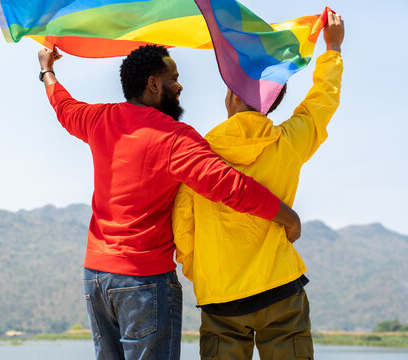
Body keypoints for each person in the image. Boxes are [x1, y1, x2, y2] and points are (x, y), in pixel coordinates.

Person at [37, 44, 301, 360]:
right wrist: (287, 216)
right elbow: (229, 186)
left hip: (96, 278)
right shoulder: (175, 138)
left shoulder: (98, 119)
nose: (180, 86)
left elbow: (63, 106)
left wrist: (47, 71)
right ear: (153, 84)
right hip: (144, 282)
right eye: (173, 78)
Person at [172, 11, 344, 360]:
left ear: (232, 97)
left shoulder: (201, 154)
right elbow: (321, 103)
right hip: (280, 289)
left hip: (221, 296)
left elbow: (183, 228)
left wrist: (202, 274)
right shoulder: (289, 142)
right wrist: (333, 50)